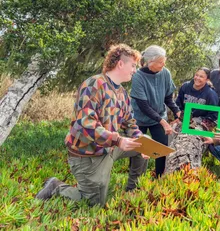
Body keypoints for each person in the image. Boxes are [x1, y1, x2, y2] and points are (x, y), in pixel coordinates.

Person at [35, 44, 149, 207]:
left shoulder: (122, 93)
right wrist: (117, 140)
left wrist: (140, 138)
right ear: (120, 64)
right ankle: (56, 187)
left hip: (109, 147)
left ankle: (132, 190)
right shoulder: (94, 84)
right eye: (133, 65)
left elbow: (129, 122)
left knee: (141, 145)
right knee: (93, 203)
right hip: (87, 154)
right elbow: (86, 124)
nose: (134, 70)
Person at [130, 45, 181, 177]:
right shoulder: (138, 77)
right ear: (150, 62)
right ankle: (135, 179)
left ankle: (158, 177)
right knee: (139, 149)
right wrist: (163, 122)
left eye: (164, 61)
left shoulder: (165, 73)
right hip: (140, 118)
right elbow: (143, 106)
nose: (163, 65)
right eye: (160, 62)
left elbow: (168, 97)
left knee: (162, 148)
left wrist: (177, 111)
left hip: (158, 116)